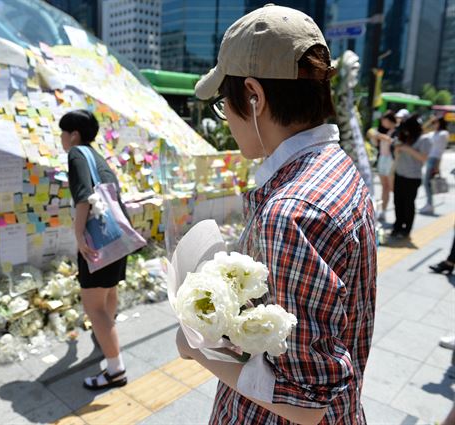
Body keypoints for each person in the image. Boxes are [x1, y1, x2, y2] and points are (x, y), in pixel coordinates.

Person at [176, 5, 377, 424]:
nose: (227, 118)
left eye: (223, 104)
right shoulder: (336, 168)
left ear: (253, 95)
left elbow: (305, 402)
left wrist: (195, 347)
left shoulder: (291, 214)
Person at [59, 110, 128, 390]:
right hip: (118, 236)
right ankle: (106, 344)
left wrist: (78, 235)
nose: (62, 139)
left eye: (63, 133)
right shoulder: (98, 157)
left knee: (93, 307)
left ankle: (116, 370)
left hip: (97, 240)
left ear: (74, 134)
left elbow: (84, 196)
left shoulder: (76, 154)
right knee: (108, 293)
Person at [390, 115, 431, 239]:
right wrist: (397, 149)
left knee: (408, 204)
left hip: (412, 177)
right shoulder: (405, 137)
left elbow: (423, 158)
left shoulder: (424, 139)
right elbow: (397, 154)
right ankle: (397, 226)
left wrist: (406, 148)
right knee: (398, 202)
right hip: (399, 174)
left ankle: (406, 229)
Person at [369, 110, 397, 222]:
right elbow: (376, 144)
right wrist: (375, 136)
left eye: (384, 121)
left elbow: (392, 142)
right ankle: (383, 211)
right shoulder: (386, 131)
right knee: (385, 187)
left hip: (391, 160)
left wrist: (378, 135)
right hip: (382, 159)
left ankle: (396, 211)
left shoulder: (397, 131)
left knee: (391, 187)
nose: (383, 123)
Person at [419, 117, 450, 214]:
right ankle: (429, 203)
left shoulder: (443, 134)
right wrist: (429, 121)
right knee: (426, 182)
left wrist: (438, 165)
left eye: (436, 122)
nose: (434, 124)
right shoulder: (433, 133)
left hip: (434, 159)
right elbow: (422, 130)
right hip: (429, 158)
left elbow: (440, 150)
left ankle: (430, 204)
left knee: (427, 182)